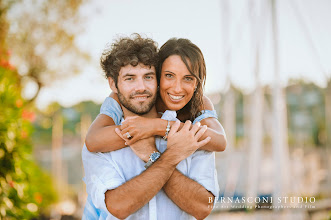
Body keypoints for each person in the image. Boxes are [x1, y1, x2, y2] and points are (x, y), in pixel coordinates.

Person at [82, 34, 225, 220]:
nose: (177, 88)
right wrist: (158, 152)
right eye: (130, 79)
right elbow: (92, 142)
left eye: (147, 77)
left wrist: (155, 130)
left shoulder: (194, 123)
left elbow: (203, 207)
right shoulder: (111, 119)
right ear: (113, 84)